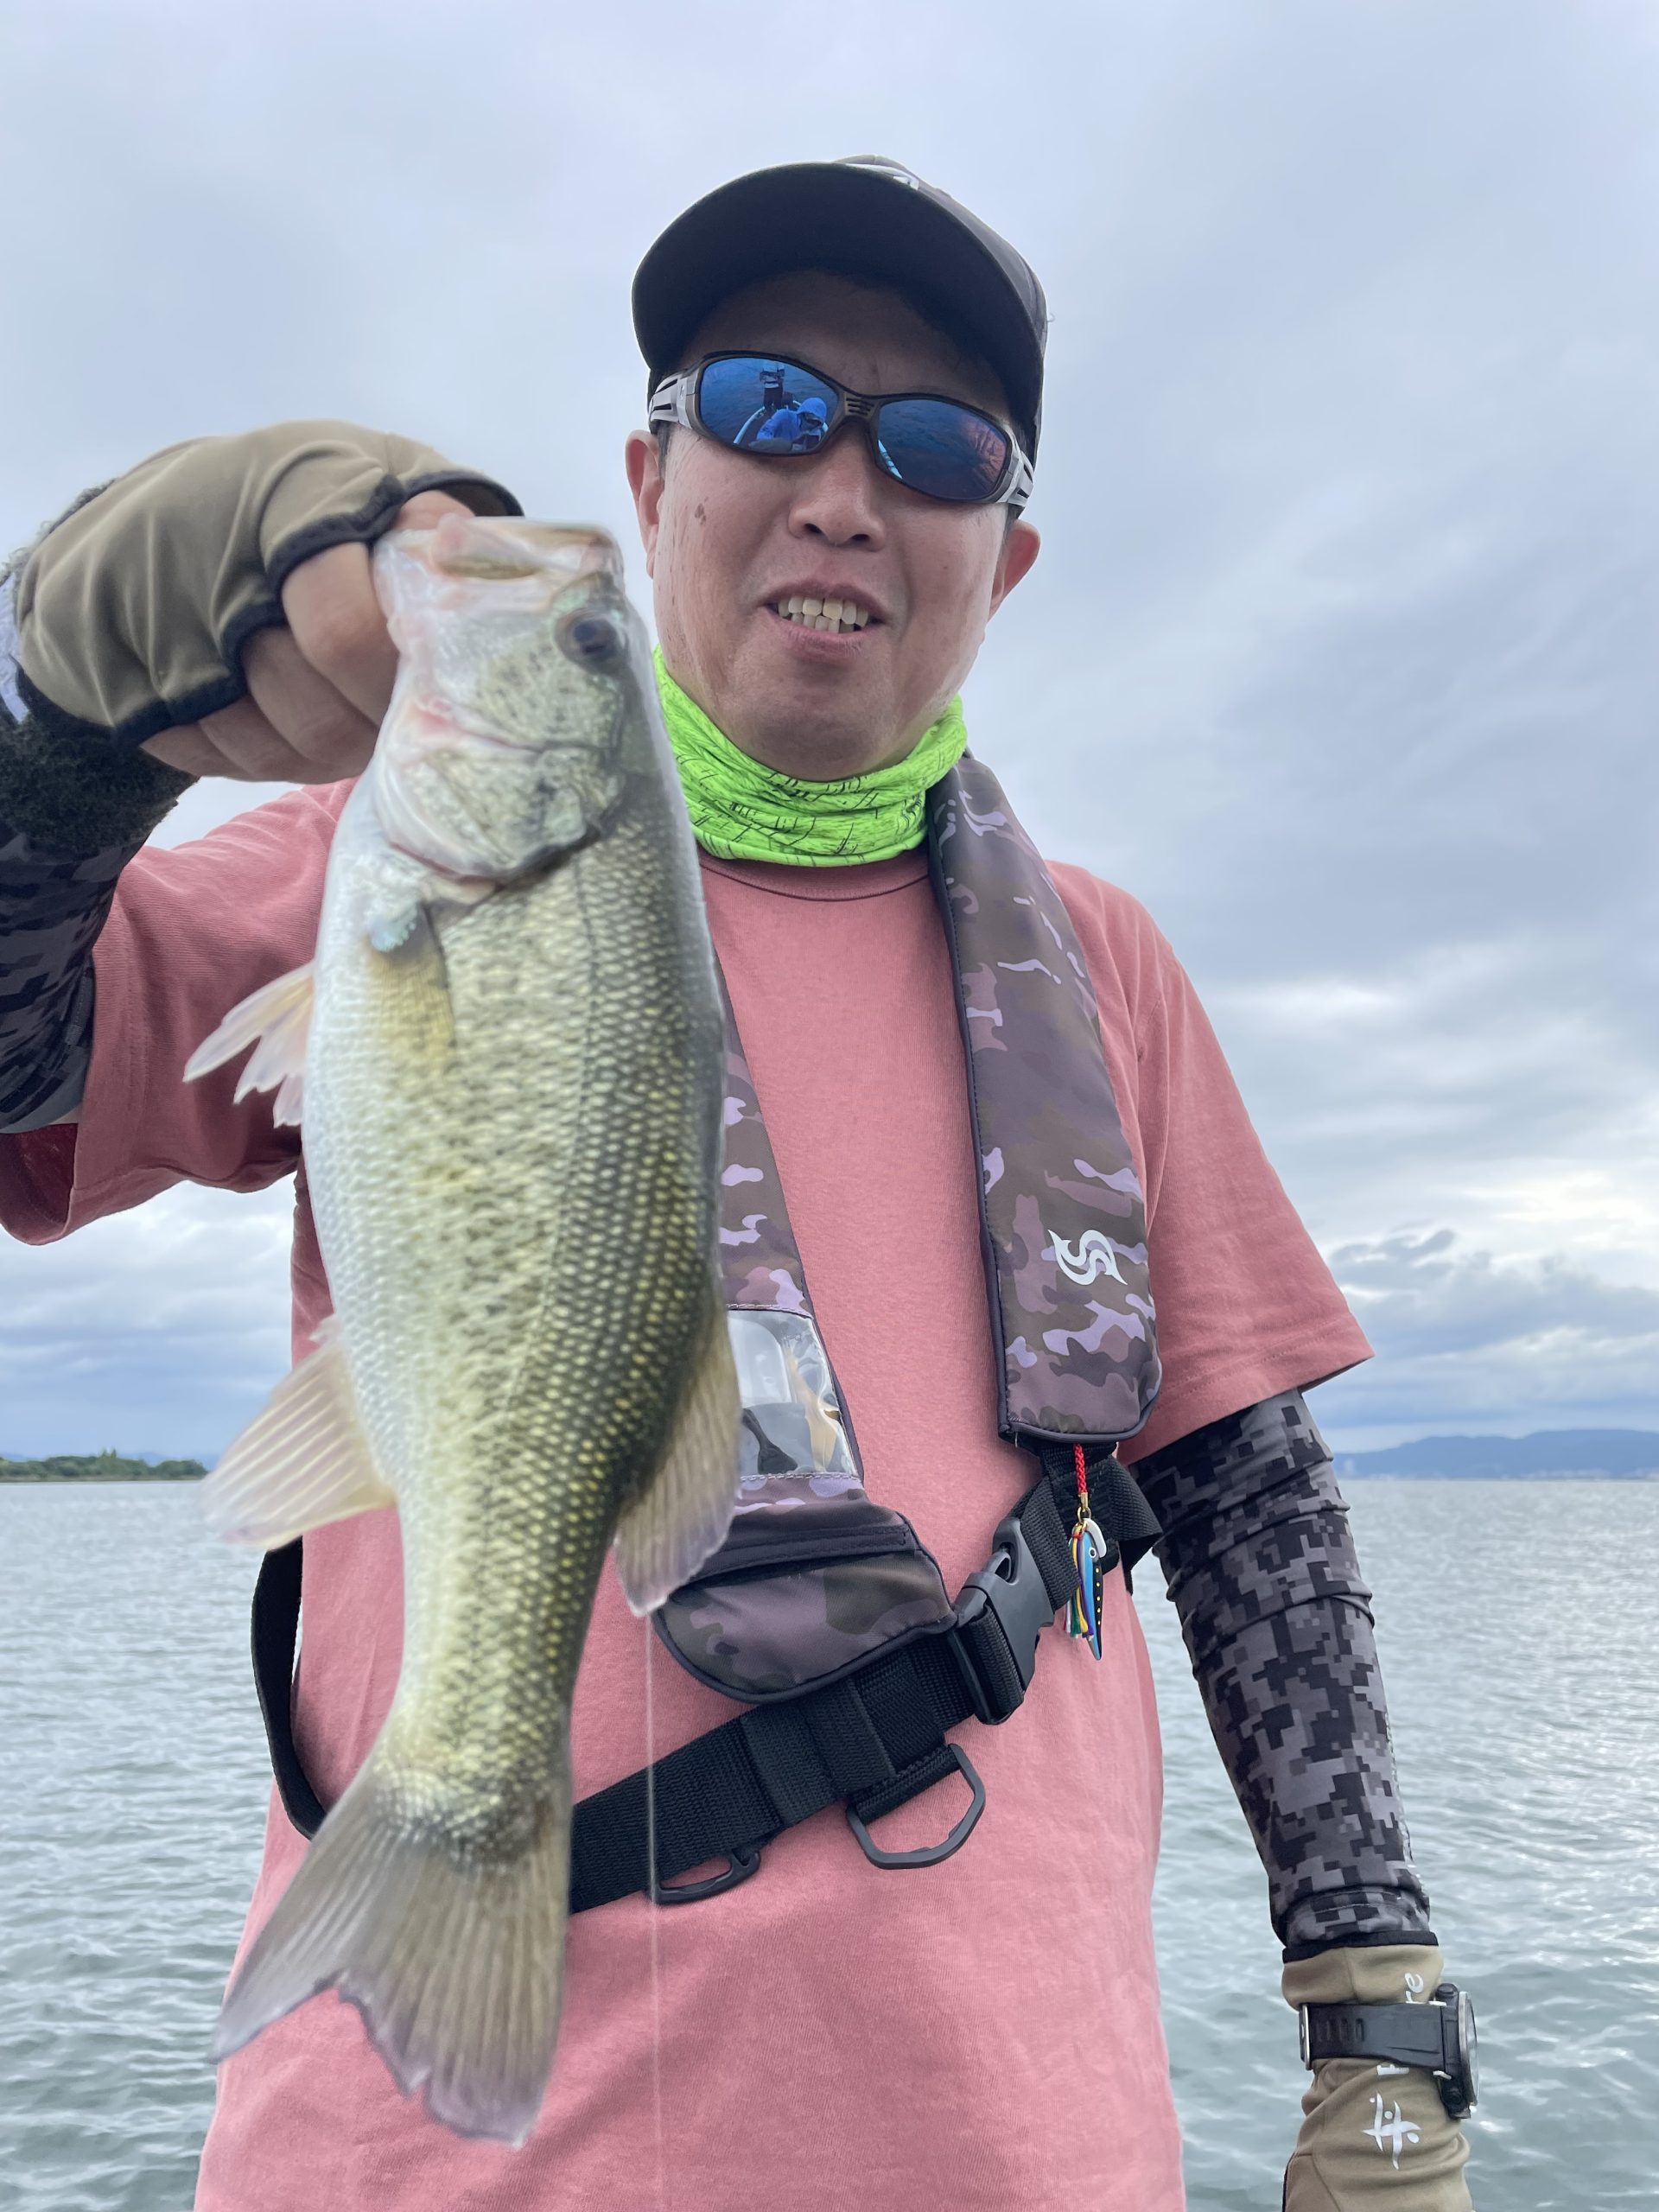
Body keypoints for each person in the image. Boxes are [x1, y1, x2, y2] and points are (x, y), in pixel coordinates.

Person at [0, 157, 1478, 2209]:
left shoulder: (1104, 965)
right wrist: (61, 730)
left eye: (936, 446)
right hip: (417, 2155)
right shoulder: (384, 865)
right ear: (654, 473)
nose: (844, 493)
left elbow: (1244, 1495)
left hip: (1024, 2146)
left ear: (1007, 556)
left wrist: (1380, 2022)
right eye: (771, 407)